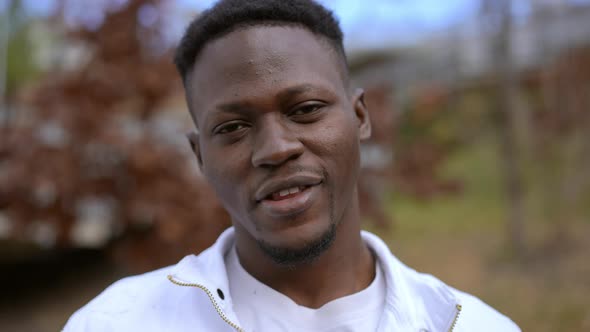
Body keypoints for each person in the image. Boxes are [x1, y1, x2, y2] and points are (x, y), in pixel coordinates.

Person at [64, 0, 520, 331]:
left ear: (360, 118)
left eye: (305, 109)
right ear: (200, 156)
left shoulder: (472, 326)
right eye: (233, 128)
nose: (276, 149)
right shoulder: (116, 322)